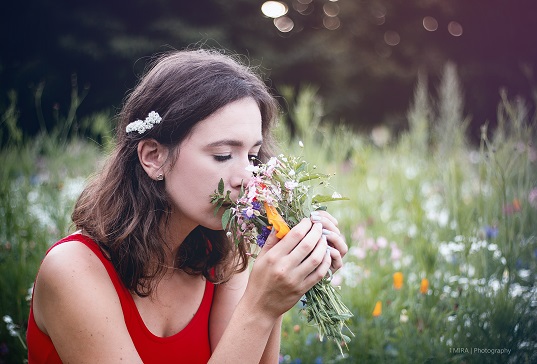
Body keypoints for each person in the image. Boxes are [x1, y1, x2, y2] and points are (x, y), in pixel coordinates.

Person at [27, 49, 348, 363]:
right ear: (153, 157)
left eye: (252, 157)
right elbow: (255, 315)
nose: (249, 178)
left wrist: (277, 282)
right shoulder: (73, 270)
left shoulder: (221, 260)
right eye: (223, 155)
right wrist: (260, 306)